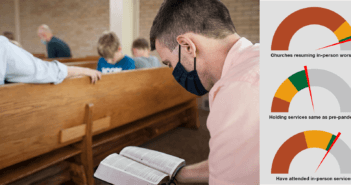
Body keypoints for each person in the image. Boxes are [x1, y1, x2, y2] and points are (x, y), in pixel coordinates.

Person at [150, 0, 259, 184]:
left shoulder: (237, 90)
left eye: (169, 63)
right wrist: (179, 175)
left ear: (187, 46)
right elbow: (239, 161)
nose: (173, 71)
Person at [0, 35, 101, 85]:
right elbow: (43, 69)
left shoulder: (52, 43)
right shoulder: (57, 41)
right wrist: (82, 70)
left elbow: (48, 64)